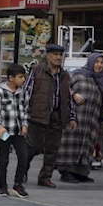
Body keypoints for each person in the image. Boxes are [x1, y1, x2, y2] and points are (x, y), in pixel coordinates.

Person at [24, 44, 77, 188]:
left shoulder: (65, 75)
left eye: (60, 55)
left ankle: (45, 177)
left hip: (57, 115)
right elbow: (26, 93)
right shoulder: (36, 71)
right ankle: (23, 169)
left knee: (52, 150)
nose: (58, 58)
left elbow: (69, 97)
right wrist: (23, 115)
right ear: (47, 56)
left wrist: (72, 117)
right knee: (33, 146)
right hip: (38, 114)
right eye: (55, 54)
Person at [57, 53, 103, 183]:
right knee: (71, 143)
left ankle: (80, 172)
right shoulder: (78, 75)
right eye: (97, 62)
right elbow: (64, 88)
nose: (99, 65)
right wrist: (74, 94)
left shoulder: (102, 82)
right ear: (90, 62)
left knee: (87, 145)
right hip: (75, 118)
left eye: (101, 63)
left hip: (91, 121)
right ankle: (66, 172)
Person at [0, 64, 30, 198]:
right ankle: (2, 186)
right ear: (11, 78)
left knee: (24, 156)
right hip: (5, 132)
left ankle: (18, 184)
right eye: (20, 77)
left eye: (23, 77)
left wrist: (25, 124)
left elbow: (26, 109)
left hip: (18, 131)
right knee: (3, 159)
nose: (23, 79)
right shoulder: (1, 92)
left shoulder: (23, 92)